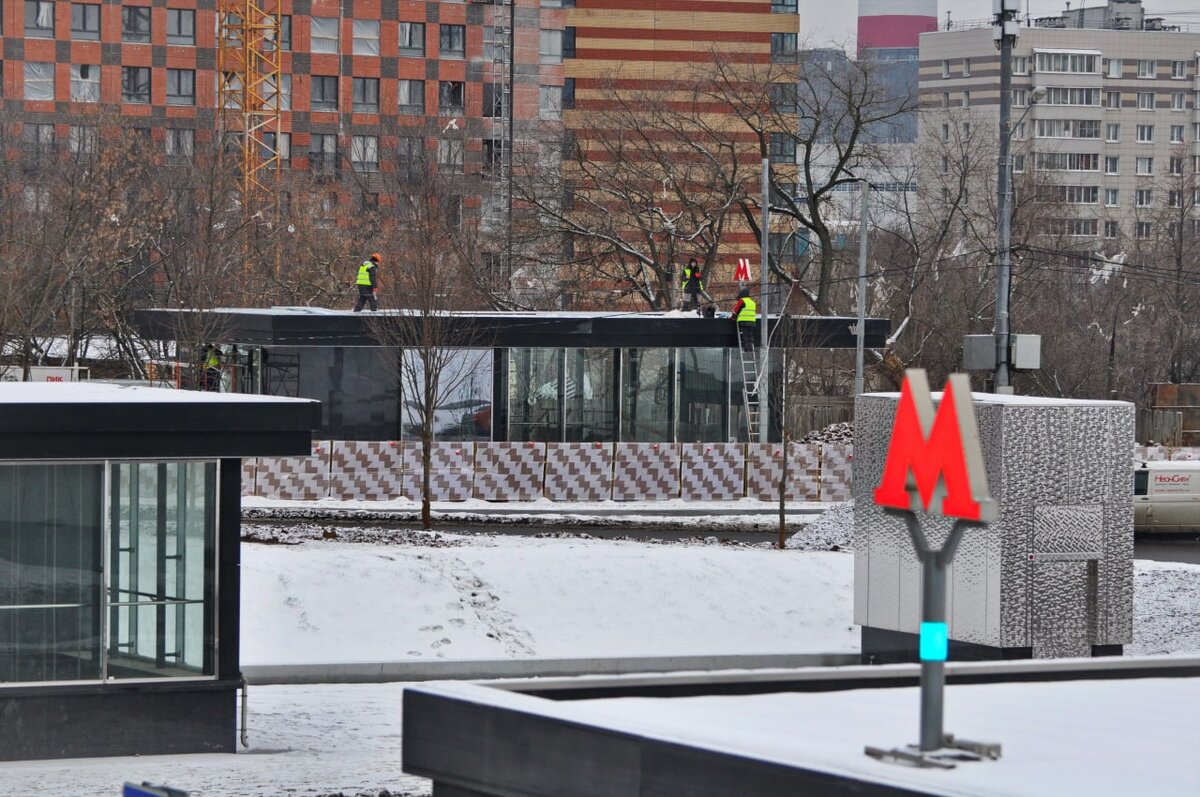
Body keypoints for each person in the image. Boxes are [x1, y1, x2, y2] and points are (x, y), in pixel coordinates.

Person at [731, 286, 757, 352]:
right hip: (752, 321)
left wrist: (733, 317)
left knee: (744, 334)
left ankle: (746, 348)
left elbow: (736, 310)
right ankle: (751, 347)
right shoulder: (752, 302)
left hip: (743, 321)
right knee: (750, 334)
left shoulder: (742, 300)